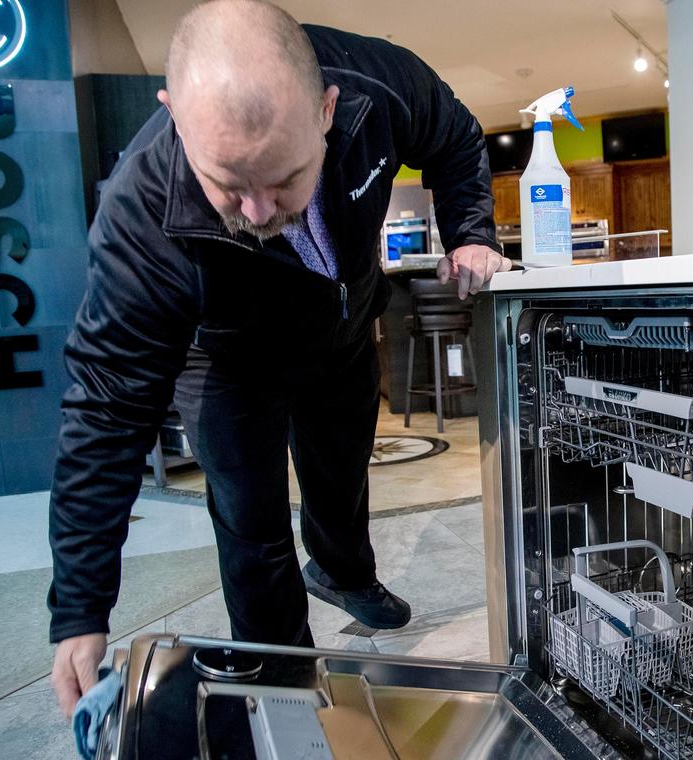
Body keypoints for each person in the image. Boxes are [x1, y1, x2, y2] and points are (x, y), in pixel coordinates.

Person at [48, 0, 510, 717]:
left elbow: (454, 136)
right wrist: (79, 608)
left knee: (341, 462)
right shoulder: (141, 213)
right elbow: (107, 406)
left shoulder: (378, 87)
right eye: (229, 183)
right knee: (249, 516)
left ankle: (341, 571)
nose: (259, 212)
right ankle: (284, 684)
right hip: (227, 358)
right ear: (174, 114)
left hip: (343, 319)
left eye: (284, 177)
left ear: (327, 109)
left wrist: (470, 230)